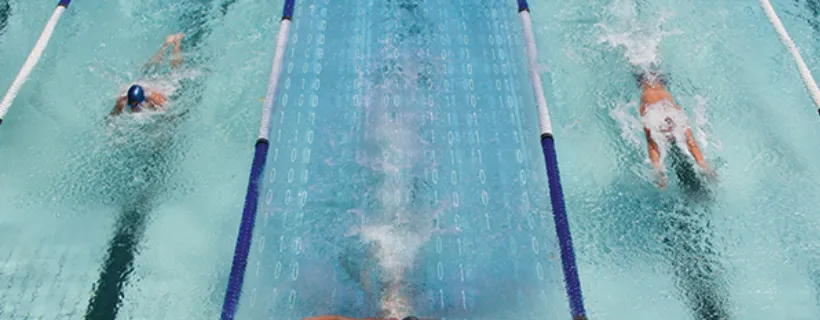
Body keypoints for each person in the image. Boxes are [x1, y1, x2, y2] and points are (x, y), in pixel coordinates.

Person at [636, 71, 714, 189]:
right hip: (654, 88)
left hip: (654, 86)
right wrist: (702, 164)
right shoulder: (656, 113)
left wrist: (657, 167)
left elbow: (652, 144)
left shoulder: (651, 113)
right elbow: (690, 142)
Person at [108, 33, 185, 118]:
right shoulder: (122, 101)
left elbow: (170, 113)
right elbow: (111, 116)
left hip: (159, 85)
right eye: (132, 106)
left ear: (143, 100)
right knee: (149, 66)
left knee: (175, 70)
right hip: (144, 84)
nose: (134, 109)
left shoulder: (155, 99)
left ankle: (177, 42)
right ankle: (166, 44)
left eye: (136, 105)